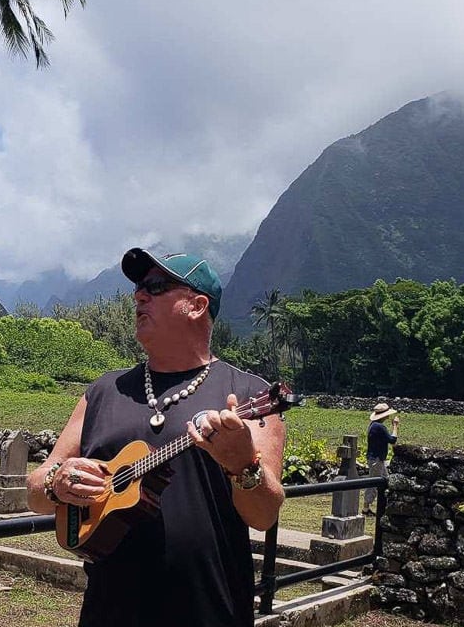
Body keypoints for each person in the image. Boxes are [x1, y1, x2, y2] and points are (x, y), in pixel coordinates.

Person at [27, 248, 286, 627]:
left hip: (211, 611)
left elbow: (264, 515)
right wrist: (58, 481)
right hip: (107, 612)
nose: (139, 295)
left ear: (197, 305)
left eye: (156, 286)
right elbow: (35, 492)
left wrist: (242, 465)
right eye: (138, 287)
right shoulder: (102, 391)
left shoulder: (249, 396)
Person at [362, 402, 399, 515]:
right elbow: (392, 440)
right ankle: (365, 508)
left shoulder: (373, 425)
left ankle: (382, 506)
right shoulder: (379, 427)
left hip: (376, 459)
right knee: (374, 483)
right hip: (377, 459)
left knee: (385, 480)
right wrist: (395, 426)